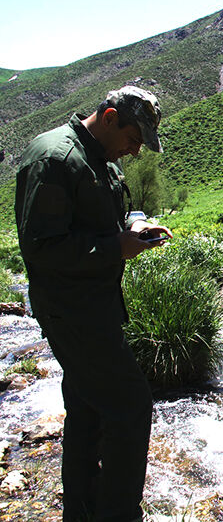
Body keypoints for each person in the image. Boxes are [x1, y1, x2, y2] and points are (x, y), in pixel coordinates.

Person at [15, 86, 172, 522]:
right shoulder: (56, 159)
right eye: (133, 138)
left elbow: (109, 218)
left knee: (87, 409)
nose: (135, 150)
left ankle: (82, 512)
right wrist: (114, 249)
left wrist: (136, 225)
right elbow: (41, 249)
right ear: (108, 117)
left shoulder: (99, 160)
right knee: (130, 405)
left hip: (94, 307)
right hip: (72, 310)